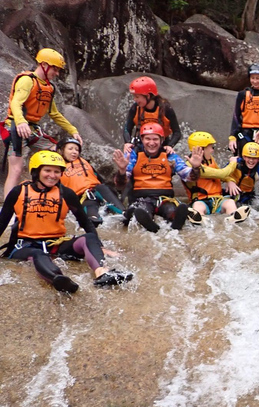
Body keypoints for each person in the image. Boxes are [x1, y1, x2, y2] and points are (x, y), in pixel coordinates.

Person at [0, 150, 133, 293]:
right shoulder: (18, 191)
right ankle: (58, 279)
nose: (52, 175)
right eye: (47, 170)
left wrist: (100, 247)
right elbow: (2, 222)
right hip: (24, 246)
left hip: (55, 243)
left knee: (88, 237)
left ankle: (102, 273)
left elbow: (85, 223)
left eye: (57, 172)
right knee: (39, 254)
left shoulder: (67, 193)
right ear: (36, 172)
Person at [3, 48, 82, 198]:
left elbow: (54, 114)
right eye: (55, 69)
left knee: (56, 153)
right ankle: (8, 208)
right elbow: (16, 103)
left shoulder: (49, 87)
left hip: (32, 128)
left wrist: (73, 130)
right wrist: (20, 122)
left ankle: (49, 195)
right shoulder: (27, 80)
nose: (57, 73)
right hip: (15, 126)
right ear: (44, 65)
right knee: (16, 169)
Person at [112, 123, 202, 233]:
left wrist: (196, 168)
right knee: (140, 211)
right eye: (148, 139)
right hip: (141, 198)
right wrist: (121, 170)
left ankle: (175, 221)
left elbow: (188, 176)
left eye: (155, 139)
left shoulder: (170, 155)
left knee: (171, 210)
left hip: (164, 198)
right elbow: (120, 184)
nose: (151, 143)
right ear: (142, 139)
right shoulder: (134, 155)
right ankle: (150, 224)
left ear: (162, 140)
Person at [184, 131, 250, 224]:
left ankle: (232, 218)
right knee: (197, 206)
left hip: (218, 200)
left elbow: (222, 176)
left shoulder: (210, 159)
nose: (212, 150)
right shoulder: (191, 166)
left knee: (230, 202)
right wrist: (233, 162)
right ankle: (200, 219)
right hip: (201, 200)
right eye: (211, 147)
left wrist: (229, 180)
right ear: (201, 149)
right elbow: (222, 173)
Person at [58, 137, 125, 227]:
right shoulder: (57, 168)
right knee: (93, 220)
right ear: (61, 151)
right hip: (82, 197)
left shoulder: (84, 162)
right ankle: (94, 219)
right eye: (70, 149)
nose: (74, 152)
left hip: (99, 189)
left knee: (122, 213)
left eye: (77, 150)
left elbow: (100, 180)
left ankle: (126, 213)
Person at [228, 63, 259, 184]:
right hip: (245, 133)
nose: (255, 81)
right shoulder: (242, 95)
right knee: (244, 165)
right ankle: (244, 193)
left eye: (258, 78)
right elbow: (236, 116)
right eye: (253, 78)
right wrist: (232, 137)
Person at [123, 76, 181, 149]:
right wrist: (127, 143)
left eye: (137, 97)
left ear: (148, 96)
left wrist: (170, 146)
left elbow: (177, 132)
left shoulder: (166, 108)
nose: (135, 99)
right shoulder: (135, 108)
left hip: (162, 145)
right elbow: (127, 129)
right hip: (141, 145)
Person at [225, 142, 259, 212]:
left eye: (254, 158)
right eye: (249, 157)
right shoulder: (235, 163)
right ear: (244, 157)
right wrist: (229, 181)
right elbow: (220, 174)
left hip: (247, 197)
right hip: (230, 194)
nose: (251, 160)